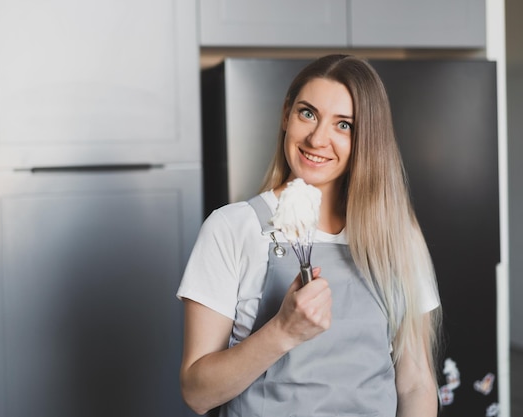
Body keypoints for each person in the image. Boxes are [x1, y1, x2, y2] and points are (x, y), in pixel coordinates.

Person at [177, 54, 442, 417]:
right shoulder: (233, 228)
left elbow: (415, 383)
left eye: (344, 125)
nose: (318, 138)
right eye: (308, 113)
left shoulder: (399, 239)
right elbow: (197, 393)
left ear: (367, 138)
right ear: (286, 115)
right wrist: (283, 330)